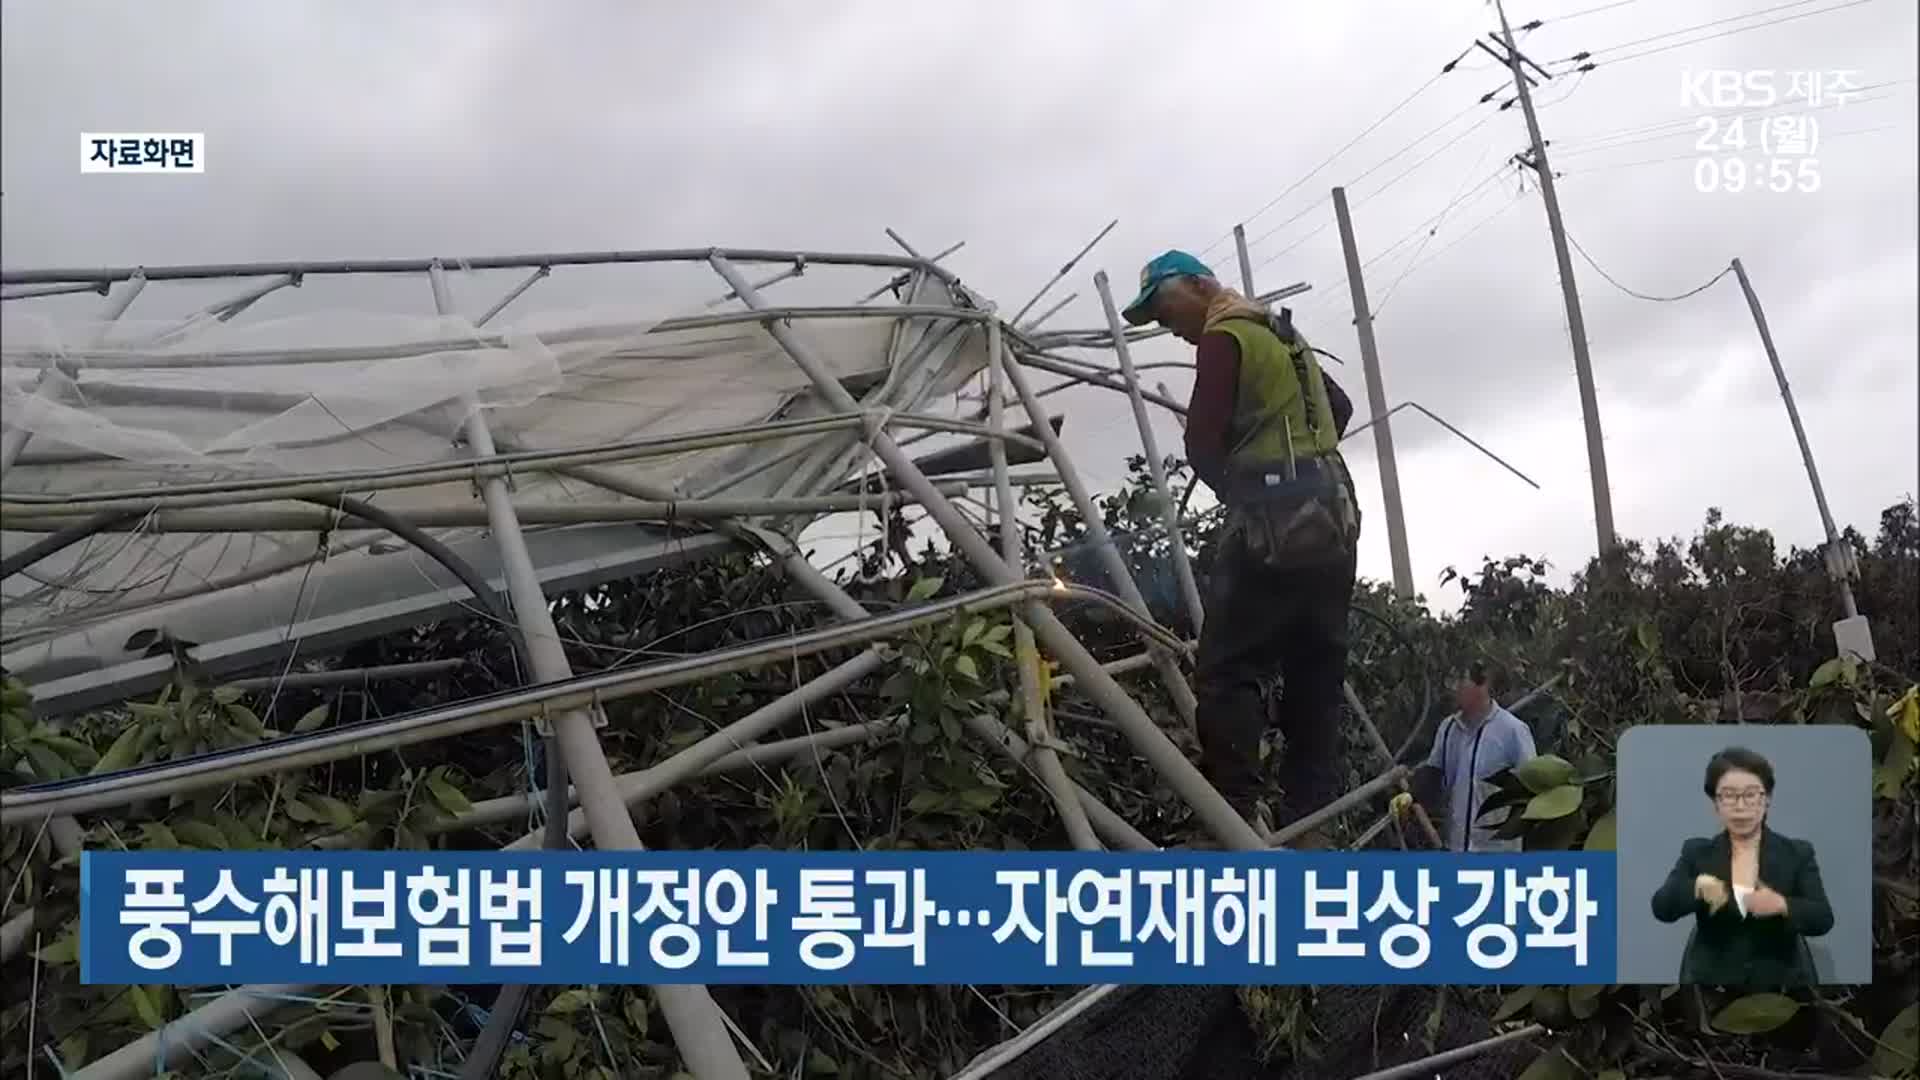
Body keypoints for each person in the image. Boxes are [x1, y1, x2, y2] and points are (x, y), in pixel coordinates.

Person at [1120, 250, 1361, 843]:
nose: (1167, 326)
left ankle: (1231, 811)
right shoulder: (1280, 333)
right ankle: (1311, 820)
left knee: (1228, 668)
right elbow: (1340, 407)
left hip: (1273, 527)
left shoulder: (1224, 335)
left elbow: (1202, 444)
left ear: (1202, 285)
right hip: (1336, 519)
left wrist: (1248, 489)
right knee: (1316, 667)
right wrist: (1304, 461)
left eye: (1165, 306)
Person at [1650, 746, 1834, 986]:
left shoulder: (1797, 853)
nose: (1740, 806)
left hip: (1781, 990)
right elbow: (1662, 907)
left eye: (1750, 795)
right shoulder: (1697, 852)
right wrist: (1696, 888)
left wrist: (1782, 905)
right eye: (1728, 795)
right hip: (1712, 988)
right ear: (1716, 804)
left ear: (1766, 799)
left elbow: (1823, 918)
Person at [1411, 661, 1538, 852]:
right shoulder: (1448, 729)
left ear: (1483, 684)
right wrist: (1410, 795)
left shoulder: (1513, 732)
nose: (1453, 688)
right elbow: (1434, 777)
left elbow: (1532, 789)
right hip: (1456, 847)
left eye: (1461, 680)